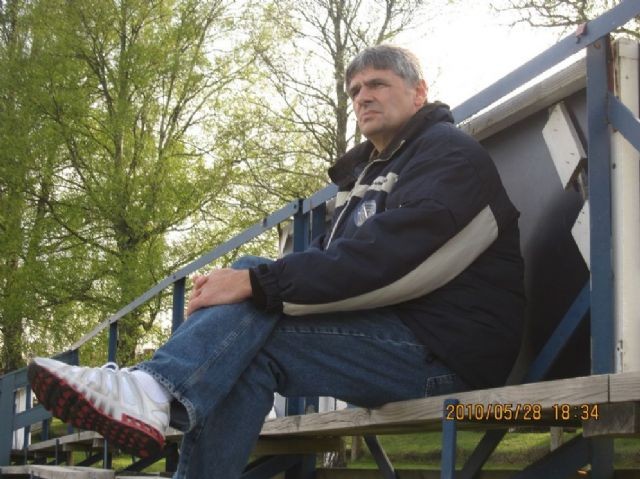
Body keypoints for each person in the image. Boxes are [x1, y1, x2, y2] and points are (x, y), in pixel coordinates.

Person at [28, 45, 525, 478]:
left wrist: (254, 285)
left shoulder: (448, 154)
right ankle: (152, 391)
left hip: (448, 355)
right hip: (399, 340)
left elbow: (390, 262)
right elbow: (328, 262)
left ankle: (151, 390)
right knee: (246, 324)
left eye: (378, 84)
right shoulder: (367, 179)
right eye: (354, 90)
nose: (363, 97)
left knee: (251, 306)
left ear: (419, 93)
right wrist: (245, 286)